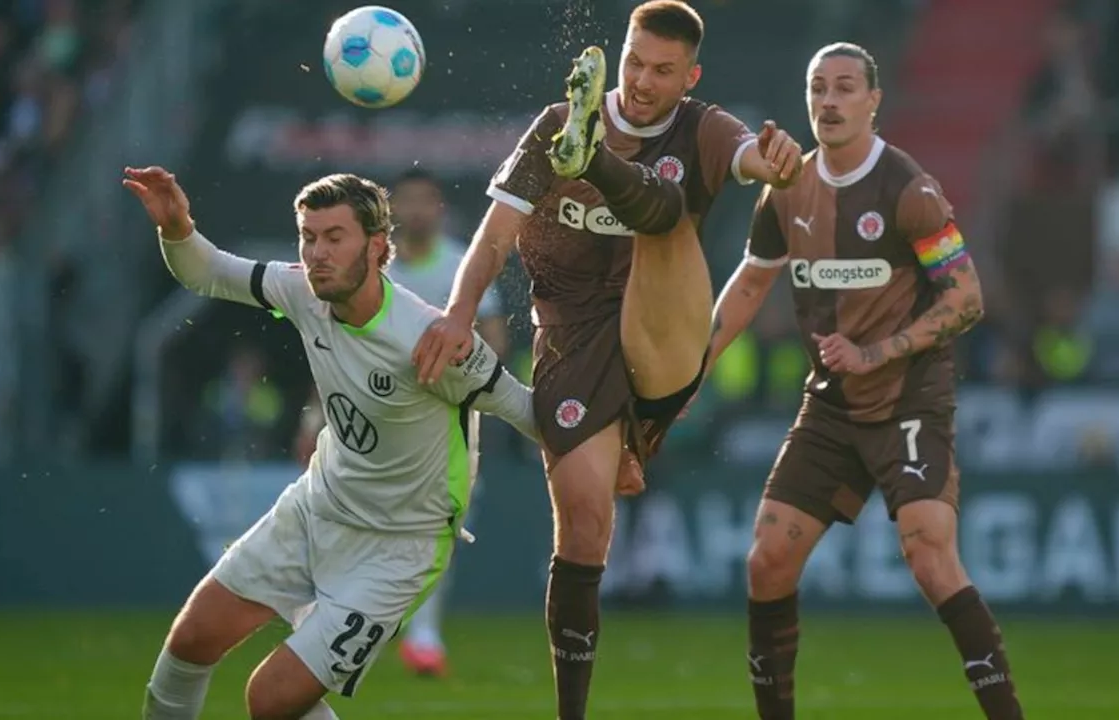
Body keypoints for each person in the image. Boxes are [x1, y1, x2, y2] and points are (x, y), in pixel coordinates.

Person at [412, 2, 802, 717]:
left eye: (662, 70)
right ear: (619, 53)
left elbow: (749, 156)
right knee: (587, 523)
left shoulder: (704, 126)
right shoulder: (552, 123)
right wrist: (460, 313)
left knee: (669, 211)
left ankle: (595, 163)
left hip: (663, 325)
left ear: (692, 75)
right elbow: (496, 237)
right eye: (633, 62)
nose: (644, 80)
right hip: (569, 336)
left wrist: (771, 160)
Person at [124, 166, 539, 720]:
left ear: (377, 247)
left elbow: (523, 408)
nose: (317, 253)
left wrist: (617, 452)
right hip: (317, 508)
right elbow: (207, 274)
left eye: (334, 238)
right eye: (309, 237)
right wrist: (177, 228)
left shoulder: (427, 339)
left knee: (270, 699)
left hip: (398, 549)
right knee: (190, 642)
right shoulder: (302, 291)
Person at [704, 43, 1023, 720]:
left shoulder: (909, 189)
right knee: (765, 563)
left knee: (929, 553)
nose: (828, 100)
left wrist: (877, 353)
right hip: (831, 406)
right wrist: (691, 368)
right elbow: (754, 279)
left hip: (908, 396)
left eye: (845, 88)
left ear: (873, 101)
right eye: (818, 87)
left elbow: (967, 298)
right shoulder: (786, 187)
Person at [387, 165, 509, 676]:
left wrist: (478, 391)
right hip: (385, 415)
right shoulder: (378, 272)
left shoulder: (462, 264)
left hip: (449, 418)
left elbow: (496, 337)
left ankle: (424, 634)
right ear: (390, 209)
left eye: (426, 200)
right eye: (406, 200)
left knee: (444, 525)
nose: (416, 210)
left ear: (438, 208)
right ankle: (372, 617)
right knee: (381, 525)